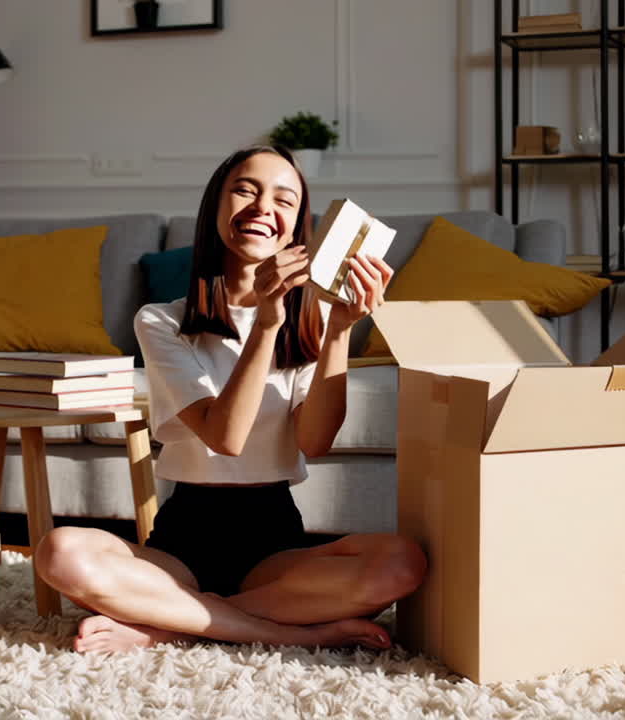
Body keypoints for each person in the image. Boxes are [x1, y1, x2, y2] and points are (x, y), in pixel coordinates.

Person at [34, 145, 427, 653]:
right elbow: (225, 438)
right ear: (214, 210)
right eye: (246, 190)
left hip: (273, 543)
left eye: (284, 200)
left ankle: (167, 625)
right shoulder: (162, 321)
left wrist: (338, 332)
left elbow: (316, 442)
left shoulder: (309, 328)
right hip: (183, 540)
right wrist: (266, 322)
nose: (264, 207)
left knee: (403, 563)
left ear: (296, 230)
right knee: (59, 553)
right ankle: (283, 630)